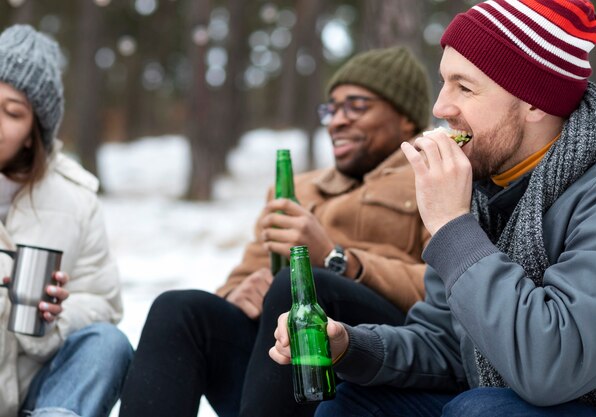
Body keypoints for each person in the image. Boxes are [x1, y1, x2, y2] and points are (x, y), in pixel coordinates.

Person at [270, 1, 596, 416]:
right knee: (352, 404)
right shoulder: (482, 187)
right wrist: (349, 346)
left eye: (465, 87)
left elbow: (553, 364)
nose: (440, 108)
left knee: (483, 411)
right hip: (516, 392)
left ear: (534, 102)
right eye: (444, 82)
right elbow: (447, 344)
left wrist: (452, 226)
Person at [119, 46, 432, 417]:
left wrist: (336, 259)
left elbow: (440, 292)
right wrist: (238, 293)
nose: (337, 121)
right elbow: (239, 278)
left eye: (356, 106)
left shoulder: (429, 177)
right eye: (331, 109)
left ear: (406, 118)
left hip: (373, 362)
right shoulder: (297, 189)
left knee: (301, 286)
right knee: (180, 309)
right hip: (275, 376)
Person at [0, 24, 133, 417]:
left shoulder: (75, 200)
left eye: (12, 112)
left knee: (108, 344)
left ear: (32, 133)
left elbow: (105, 303)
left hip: (35, 390)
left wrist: (55, 314)